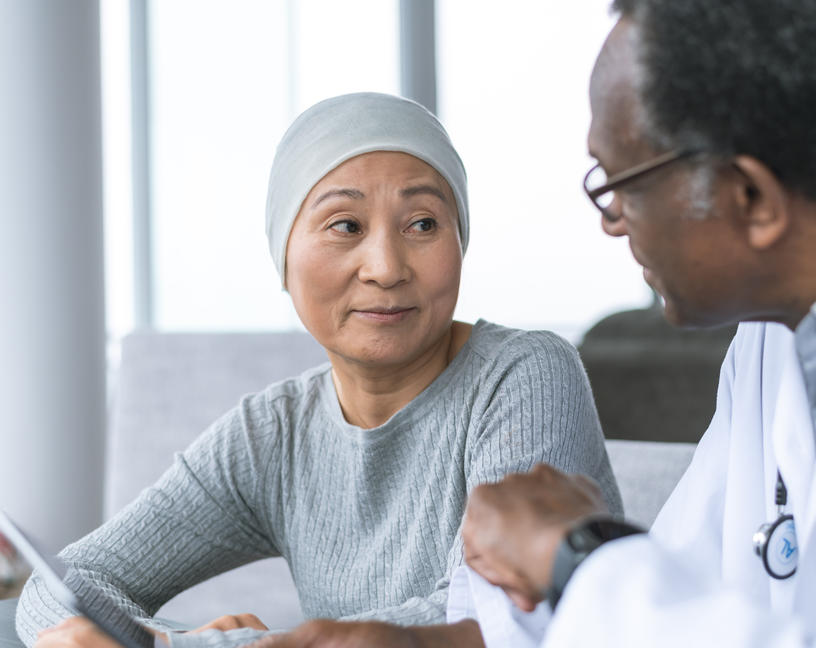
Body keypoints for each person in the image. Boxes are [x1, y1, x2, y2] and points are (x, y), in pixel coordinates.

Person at [16, 92, 622, 648]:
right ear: (284, 259)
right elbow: (64, 586)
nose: (385, 267)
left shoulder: (525, 375)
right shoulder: (272, 435)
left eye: (423, 224)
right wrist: (154, 638)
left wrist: (190, 647)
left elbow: (493, 620)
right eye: (345, 226)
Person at [457, 0, 816, 645]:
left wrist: (580, 554)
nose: (611, 218)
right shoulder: (774, 330)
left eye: (622, 182)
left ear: (750, 198)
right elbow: (684, 584)